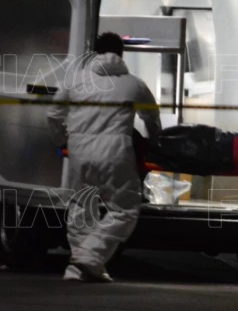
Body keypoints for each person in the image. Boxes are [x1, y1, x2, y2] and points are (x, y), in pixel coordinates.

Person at [47, 32, 161, 282]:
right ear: (121, 54)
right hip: (115, 153)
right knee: (124, 209)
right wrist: (156, 142)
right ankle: (90, 257)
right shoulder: (135, 84)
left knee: (81, 207)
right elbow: (151, 118)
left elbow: (53, 115)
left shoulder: (75, 79)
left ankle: (78, 268)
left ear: (94, 53)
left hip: (79, 152)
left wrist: (61, 140)